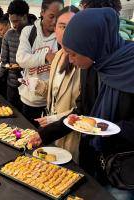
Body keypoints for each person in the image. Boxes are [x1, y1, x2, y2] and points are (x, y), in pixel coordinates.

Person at [29, 8, 134, 200]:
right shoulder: (93, 66)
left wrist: (110, 130)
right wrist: (46, 133)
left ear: (92, 45)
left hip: (123, 170)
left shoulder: (129, 66)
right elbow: (82, 112)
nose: (70, 60)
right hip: (92, 160)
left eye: (73, 54)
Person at [34, 6, 80, 162]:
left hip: (69, 133)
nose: (66, 31)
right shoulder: (58, 55)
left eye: (72, 26)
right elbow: (54, 93)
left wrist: (54, 119)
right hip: (50, 131)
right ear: (55, 29)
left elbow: (84, 108)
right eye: (62, 26)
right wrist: (37, 85)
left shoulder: (83, 61)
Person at [16, 0, 64, 127]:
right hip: (28, 99)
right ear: (42, 12)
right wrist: (46, 56)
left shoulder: (61, 36)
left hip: (50, 103)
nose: (55, 21)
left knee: (45, 142)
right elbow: (21, 59)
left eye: (58, 17)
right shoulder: (29, 32)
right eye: (51, 16)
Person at [0, 0, 30, 110]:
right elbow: (3, 62)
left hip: (29, 88)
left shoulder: (34, 34)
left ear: (25, 16)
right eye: (12, 22)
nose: (14, 25)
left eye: (16, 21)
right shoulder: (8, 35)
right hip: (12, 86)